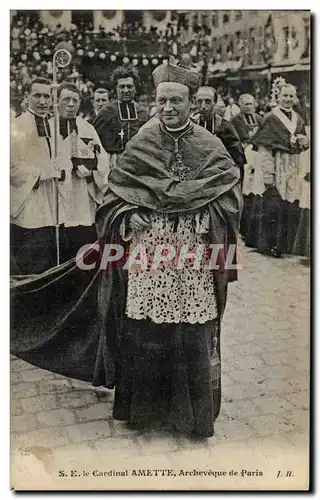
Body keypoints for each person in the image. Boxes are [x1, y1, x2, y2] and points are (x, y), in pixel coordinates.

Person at [94, 58, 243, 437]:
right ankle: (145, 413)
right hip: (150, 250)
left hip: (192, 253)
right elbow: (113, 197)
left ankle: (189, 417)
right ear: (155, 102)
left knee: (188, 331)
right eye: (162, 101)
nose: (169, 108)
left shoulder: (210, 145)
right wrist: (128, 217)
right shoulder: (142, 141)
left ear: (192, 102)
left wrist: (208, 216)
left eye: (177, 101)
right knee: (146, 329)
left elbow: (230, 197)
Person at [245, 81, 309, 257]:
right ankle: (271, 244)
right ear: (278, 97)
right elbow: (265, 150)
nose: (288, 99)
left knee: (289, 204)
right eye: (285, 95)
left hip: (292, 165)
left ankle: (286, 243)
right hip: (275, 163)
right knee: (273, 204)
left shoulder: (299, 119)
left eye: (291, 96)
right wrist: (268, 174)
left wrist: (305, 142)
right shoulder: (270, 118)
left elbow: (301, 143)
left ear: (295, 98)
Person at [49, 82, 110, 262]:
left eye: (75, 100)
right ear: (56, 101)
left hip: (81, 196)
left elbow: (102, 159)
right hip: (55, 196)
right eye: (66, 99)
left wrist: (92, 173)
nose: (70, 104)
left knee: (82, 249)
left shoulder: (87, 128)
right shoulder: (47, 128)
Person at [10, 77, 65, 274]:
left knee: (49, 261)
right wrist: (41, 174)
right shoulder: (16, 126)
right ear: (26, 97)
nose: (43, 101)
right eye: (37, 95)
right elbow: (10, 166)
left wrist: (61, 167)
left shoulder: (53, 125)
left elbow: (62, 158)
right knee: (30, 263)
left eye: (47, 96)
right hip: (28, 205)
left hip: (51, 205)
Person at [92, 66, 148, 168]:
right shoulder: (105, 113)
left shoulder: (143, 113)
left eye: (129, 86)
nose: (126, 90)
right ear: (115, 89)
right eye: (122, 87)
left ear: (135, 89)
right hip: (110, 165)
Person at [192, 86, 246, 183]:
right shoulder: (191, 124)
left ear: (215, 102)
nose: (203, 106)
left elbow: (237, 158)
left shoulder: (224, 126)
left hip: (219, 179)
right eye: (199, 101)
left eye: (208, 101)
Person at [230, 94, 263, 236]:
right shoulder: (234, 120)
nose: (249, 107)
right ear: (240, 105)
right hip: (242, 158)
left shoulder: (260, 119)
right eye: (246, 104)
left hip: (257, 156)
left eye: (251, 104)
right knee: (243, 189)